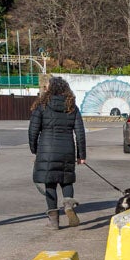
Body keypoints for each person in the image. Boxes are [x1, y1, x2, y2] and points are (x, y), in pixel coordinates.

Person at [28, 76, 86, 229]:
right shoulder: (72, 106)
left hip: (46, 149)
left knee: (50, 183)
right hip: (67, 149)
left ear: (50, 89)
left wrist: (34, 149)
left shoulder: (42, 105)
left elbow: (33, 131)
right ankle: (68, 204)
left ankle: (54, 221)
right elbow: (80, 132)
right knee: (66, 180)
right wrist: (81, 155)